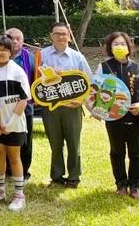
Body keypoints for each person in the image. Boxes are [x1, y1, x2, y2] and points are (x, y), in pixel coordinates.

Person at [95, 31, 139, 200]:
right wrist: (97, 111)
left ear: (129, 47)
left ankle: (135, 186)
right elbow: (96, 92)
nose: (119, 47)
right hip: (113, 118)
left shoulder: (138, 68)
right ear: (109, 48)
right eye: (115, 44)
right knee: (117, 151)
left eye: (122, 44)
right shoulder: (104, 67)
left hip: (135, 117)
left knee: (137, 152)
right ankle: (121, 184)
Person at [40, 22, 92, 188]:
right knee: (55, 143)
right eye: (57, 33)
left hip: (72, 107)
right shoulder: (42, 55)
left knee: (73, 143)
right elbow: (35, 79)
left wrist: (81, 101)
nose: (61, 37)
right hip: (50, 108)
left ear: (69, 36)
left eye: (64, 34)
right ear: (51, 36)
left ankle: (74, 177)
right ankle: (56, 176)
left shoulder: (78, 57)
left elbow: (89, 83)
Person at [0, 35, 30, 211]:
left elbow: (23, 99)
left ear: (11, 52)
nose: (1, 52)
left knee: (14, 157)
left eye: (5, 49)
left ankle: (19, 195)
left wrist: (11, 123)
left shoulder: (18, 71)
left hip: (15, 122)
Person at [7, 27, 35, 180]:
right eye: (12, 38)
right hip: (5, 106)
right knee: (5, 137)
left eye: (19, 38)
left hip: (26, 106)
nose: (15, 41)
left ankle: (24, 170)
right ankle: (6, 168)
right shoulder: (0, 56)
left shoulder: (30, 57)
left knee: (25, 139)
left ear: (23, 41)